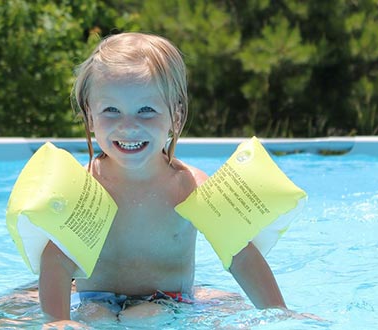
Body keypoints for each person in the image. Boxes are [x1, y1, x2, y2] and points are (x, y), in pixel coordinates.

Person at [38, 32, 286, 327]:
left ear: (176, 117)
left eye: (146, 111)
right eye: (111, 110)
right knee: (94, 317)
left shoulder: (189, 187)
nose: (128, 126)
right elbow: (56, 261)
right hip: (94, 300)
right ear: (90, 116)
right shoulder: (84, 186)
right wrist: (56, 321)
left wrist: (279, 314)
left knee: (144, 317)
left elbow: (240, 255)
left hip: (169, 300)